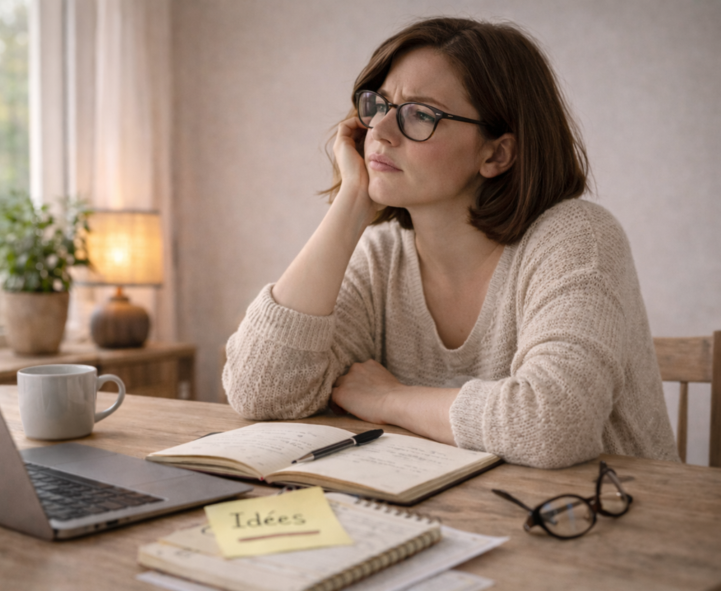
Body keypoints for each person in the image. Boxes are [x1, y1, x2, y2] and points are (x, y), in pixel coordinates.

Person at [222, 17, 678, 469]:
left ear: (496, 153)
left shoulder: (579, 238)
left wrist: (390, 399)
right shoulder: (382, 254)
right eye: (378, 105)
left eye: (420, 114)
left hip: (612, 520)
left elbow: (552, 424)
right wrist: (351, 202)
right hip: (462, 514)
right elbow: (260, 390)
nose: (379, 132)